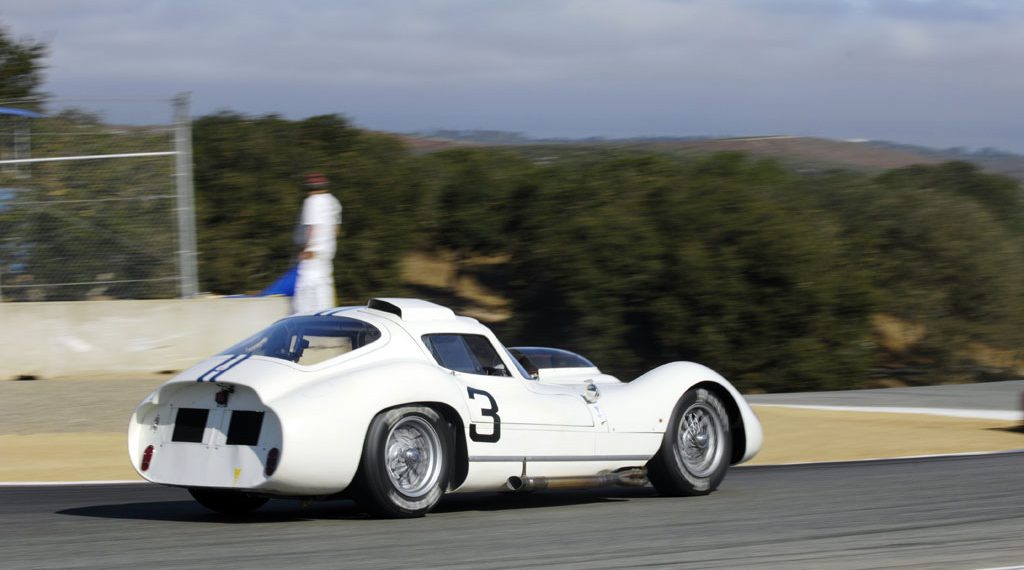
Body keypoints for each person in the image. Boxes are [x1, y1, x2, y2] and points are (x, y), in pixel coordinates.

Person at [293, 172, 342, 314]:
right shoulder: (334, 202)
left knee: (304, 299)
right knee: (324, 297)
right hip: (327, 256)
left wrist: (306, 249)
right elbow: (336, 230)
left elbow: (310, 228)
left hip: (312, 256)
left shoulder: (312, 201)